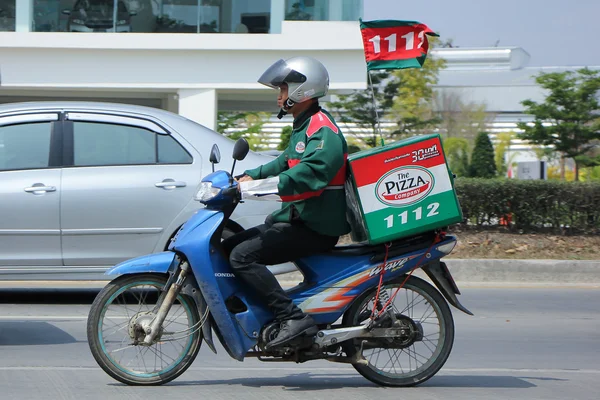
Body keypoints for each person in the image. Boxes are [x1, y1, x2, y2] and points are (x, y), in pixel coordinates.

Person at [223, 56, 351, 349]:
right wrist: (246, 176)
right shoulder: (305, 125)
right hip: (296, 219)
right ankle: (258, 314)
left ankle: (291, 317)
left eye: (282, 88)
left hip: (315, 226)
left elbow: (307, 174)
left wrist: (256, 188)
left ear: (302, 90)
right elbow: (284, 161)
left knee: (242, 257)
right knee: (228, 247)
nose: (278, 95)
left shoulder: (324, 132)